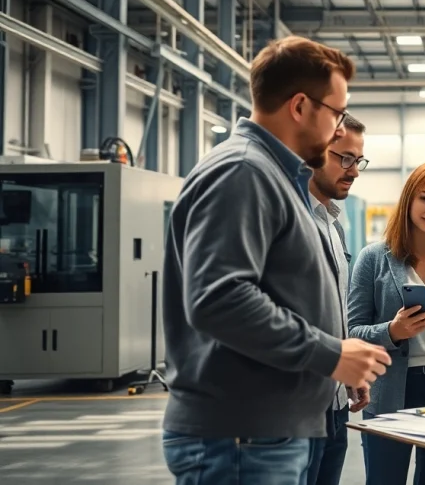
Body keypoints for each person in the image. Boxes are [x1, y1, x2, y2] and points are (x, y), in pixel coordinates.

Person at [161, 36, 392, 484]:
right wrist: (329, 354)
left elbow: (284, 293)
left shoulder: (275, 177)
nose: (337, 128)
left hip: (263, 431)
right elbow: (219, 299)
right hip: (240, 435)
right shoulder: (243, 172)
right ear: (301, 106)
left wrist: (334, 372)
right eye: (336, 114)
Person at [348, 161, 425, 485]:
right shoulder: (373, 258)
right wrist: (392, 331)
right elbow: (352, 331)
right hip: (390, 390)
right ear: (409, 200)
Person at [306, 114, 371, 485]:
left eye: (357, 160)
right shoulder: (289, 218)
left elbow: (334, 306)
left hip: (333, 403)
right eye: (343, 158)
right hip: (296, 405)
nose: (354, 170)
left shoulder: (333, 224)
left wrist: (348, 367)